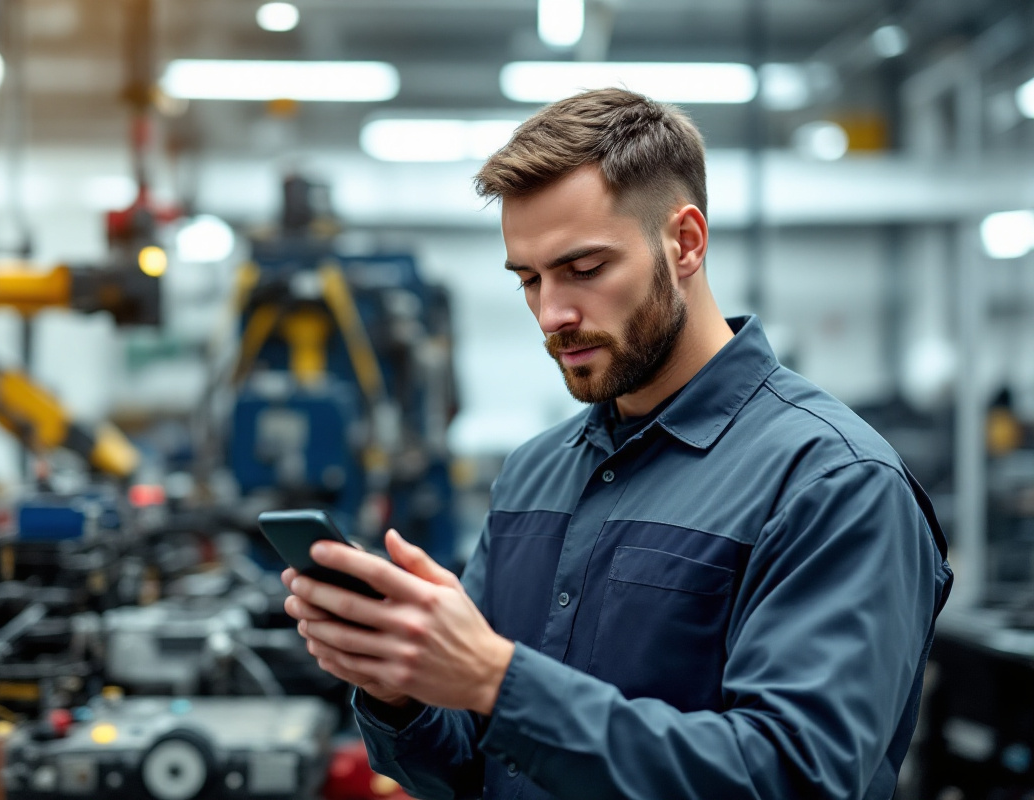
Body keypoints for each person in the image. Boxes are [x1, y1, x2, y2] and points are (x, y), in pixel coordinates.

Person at [281, 88, 952, 800]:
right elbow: (473, 766)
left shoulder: (834, 484)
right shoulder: (535, 473)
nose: (553, 314)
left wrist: (497, 681)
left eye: (585, 269)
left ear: (685, 242)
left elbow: (793, 779)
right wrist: (402, 692)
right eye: (530, 280)